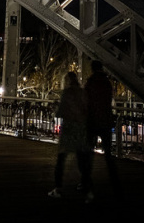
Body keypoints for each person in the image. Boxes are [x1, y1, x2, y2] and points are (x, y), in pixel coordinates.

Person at [48, 71, 90, 199]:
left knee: (61, 159)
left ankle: (58, 188)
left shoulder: (67, 93)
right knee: (81, 158)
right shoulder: (83, 92)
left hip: (69, 129)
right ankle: (85, 183)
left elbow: (60, 112)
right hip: (80, 129)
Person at [83, 60, 121, 199]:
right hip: (105, 121)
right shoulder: (107, 83)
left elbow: (86, 101)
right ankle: (115, 182)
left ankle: (87, 183)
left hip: (93, 122)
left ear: (92, 69)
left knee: (89, 154)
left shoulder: (90, 83)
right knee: (108, 154)